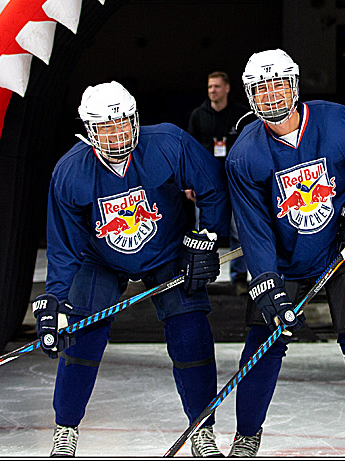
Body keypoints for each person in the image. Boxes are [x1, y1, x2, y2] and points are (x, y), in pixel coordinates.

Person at [34, 81, 230, 457]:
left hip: (169, 251)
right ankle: (66, 427)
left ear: (135, 118)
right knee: (81, 335)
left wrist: (208, 235)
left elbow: (212, 187)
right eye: (106, 126)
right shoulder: (71, 171)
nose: (117, 132)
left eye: (123, 122)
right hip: (101, 260)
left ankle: (202, 428)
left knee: (191, 333)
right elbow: (64, 247)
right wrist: (55, 298)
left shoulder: (168, 143)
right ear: (89, 130)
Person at [224, 49, 345, 457]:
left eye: (277, 84)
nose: (270, 95)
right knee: (261, 348)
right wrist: (265, 281)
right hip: (284, 259)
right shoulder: (245, 155)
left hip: (341, 249)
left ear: (294, 84)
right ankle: (247, 435)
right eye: (260, 88)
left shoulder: (337, 120)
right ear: (250, 96)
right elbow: (255, 229)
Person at [186, 71, 254, 294]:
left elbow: (253, 149)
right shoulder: (198, 115)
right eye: (209, 87)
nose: (212, 90)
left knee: (239, 230)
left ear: (226, 88)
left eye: (216, 86)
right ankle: (201, 277)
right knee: (204, 232)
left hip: (236, 182)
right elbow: (189, 152)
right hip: (207, 184)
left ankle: (239, 279)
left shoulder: (242, 115)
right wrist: (188, 183)